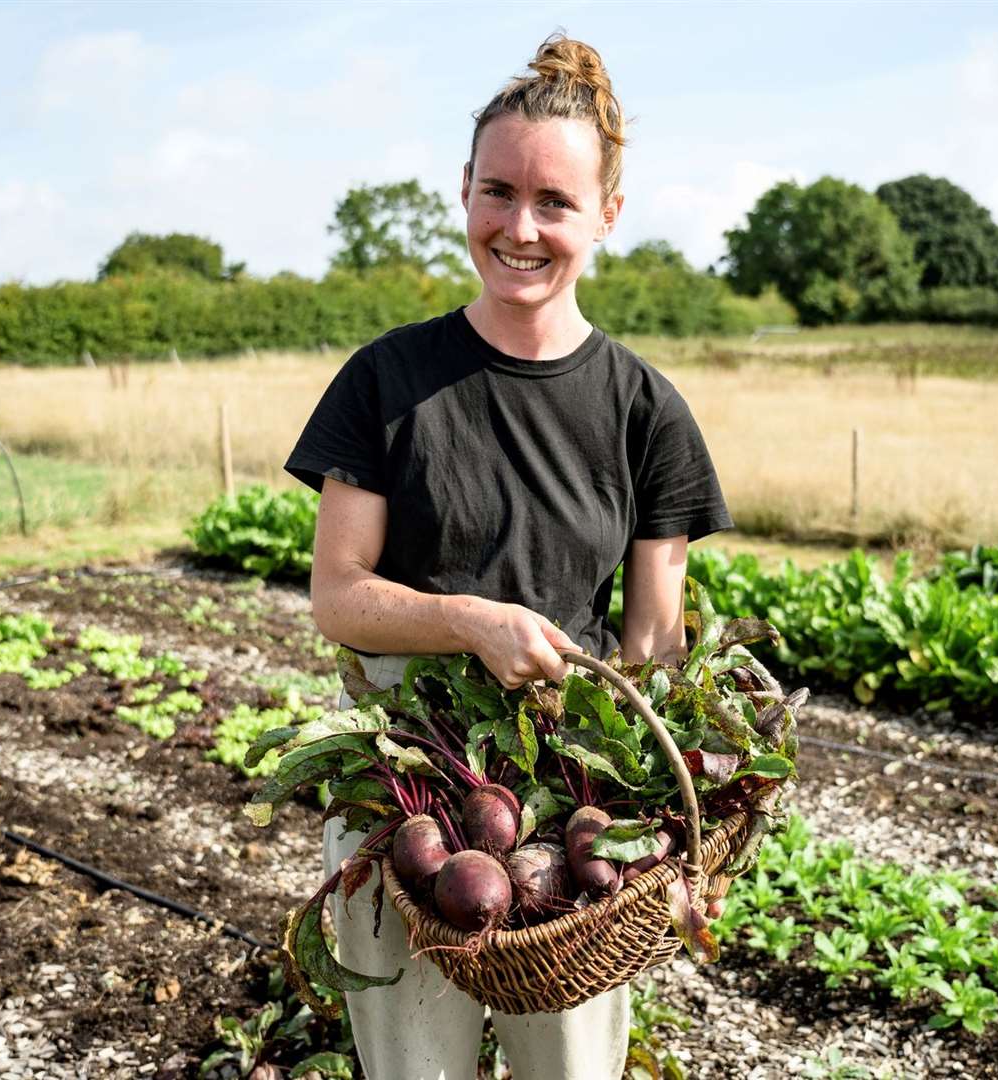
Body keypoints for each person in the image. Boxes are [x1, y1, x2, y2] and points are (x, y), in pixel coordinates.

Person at [284, 33, 731, 1080]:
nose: (519, 228)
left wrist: (669, 830)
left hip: (565, 801)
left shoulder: (646, 413)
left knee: (570, 1068)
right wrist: (467, 621)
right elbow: (339, 597)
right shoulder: (386, 381)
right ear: (465, 193)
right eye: (497, 192)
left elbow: (654, 645)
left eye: (555, 203)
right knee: (411, 1067)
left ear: (606, 216)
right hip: (405, 785)